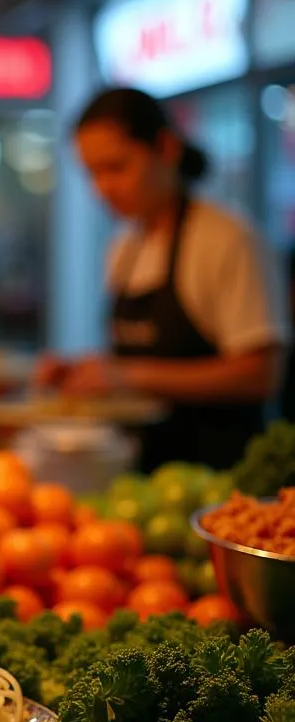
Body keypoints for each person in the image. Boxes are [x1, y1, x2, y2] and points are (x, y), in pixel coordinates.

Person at [38, 87, 289, 472]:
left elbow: (261, 373)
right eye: (92, 173)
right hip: (140, 469)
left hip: (220, 478)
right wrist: (83, 374)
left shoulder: (227, 239)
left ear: (166, 148)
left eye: (117, 167)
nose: (102, 188)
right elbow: (133, 364)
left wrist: (127, 375)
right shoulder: (124, 247)